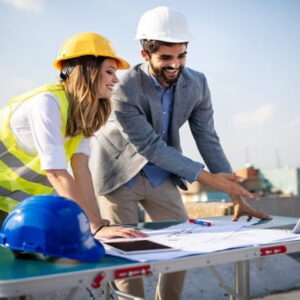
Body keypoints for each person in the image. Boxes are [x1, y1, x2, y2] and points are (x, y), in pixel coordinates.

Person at [90, 6, 271, 300]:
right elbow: (148, 145)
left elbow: (207, 137)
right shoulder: (122, 87)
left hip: (163, 177)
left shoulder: (197, 83)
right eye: (166, 58)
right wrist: (210, 179)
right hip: (118, 175)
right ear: (145, 55)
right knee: (127, 260)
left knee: (182, 251)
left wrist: (235, 194)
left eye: (181, 55)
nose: (175, 64)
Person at [0, 32, 146, 240]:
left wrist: (96, 221)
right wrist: (94, 226)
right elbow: (57, 173)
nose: (116, 79)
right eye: (110, 71)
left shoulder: (79, 112)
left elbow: (81, 170)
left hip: (14, 204)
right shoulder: (47, 103)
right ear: (89, 71)